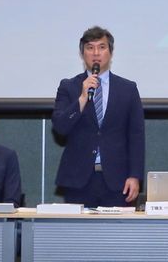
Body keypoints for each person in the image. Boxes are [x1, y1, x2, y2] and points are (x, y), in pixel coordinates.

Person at [52, 26, 145, 207]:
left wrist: (135, 176)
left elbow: (136, 136)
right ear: (82, 53)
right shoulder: (68, 87)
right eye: (90, 47)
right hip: (78, 180)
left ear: (110, 52)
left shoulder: (128, 89)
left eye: (102, 47)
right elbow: (60, 127)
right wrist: (82, 98)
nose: (96, 53)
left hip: (118, 180)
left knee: (116, 226)